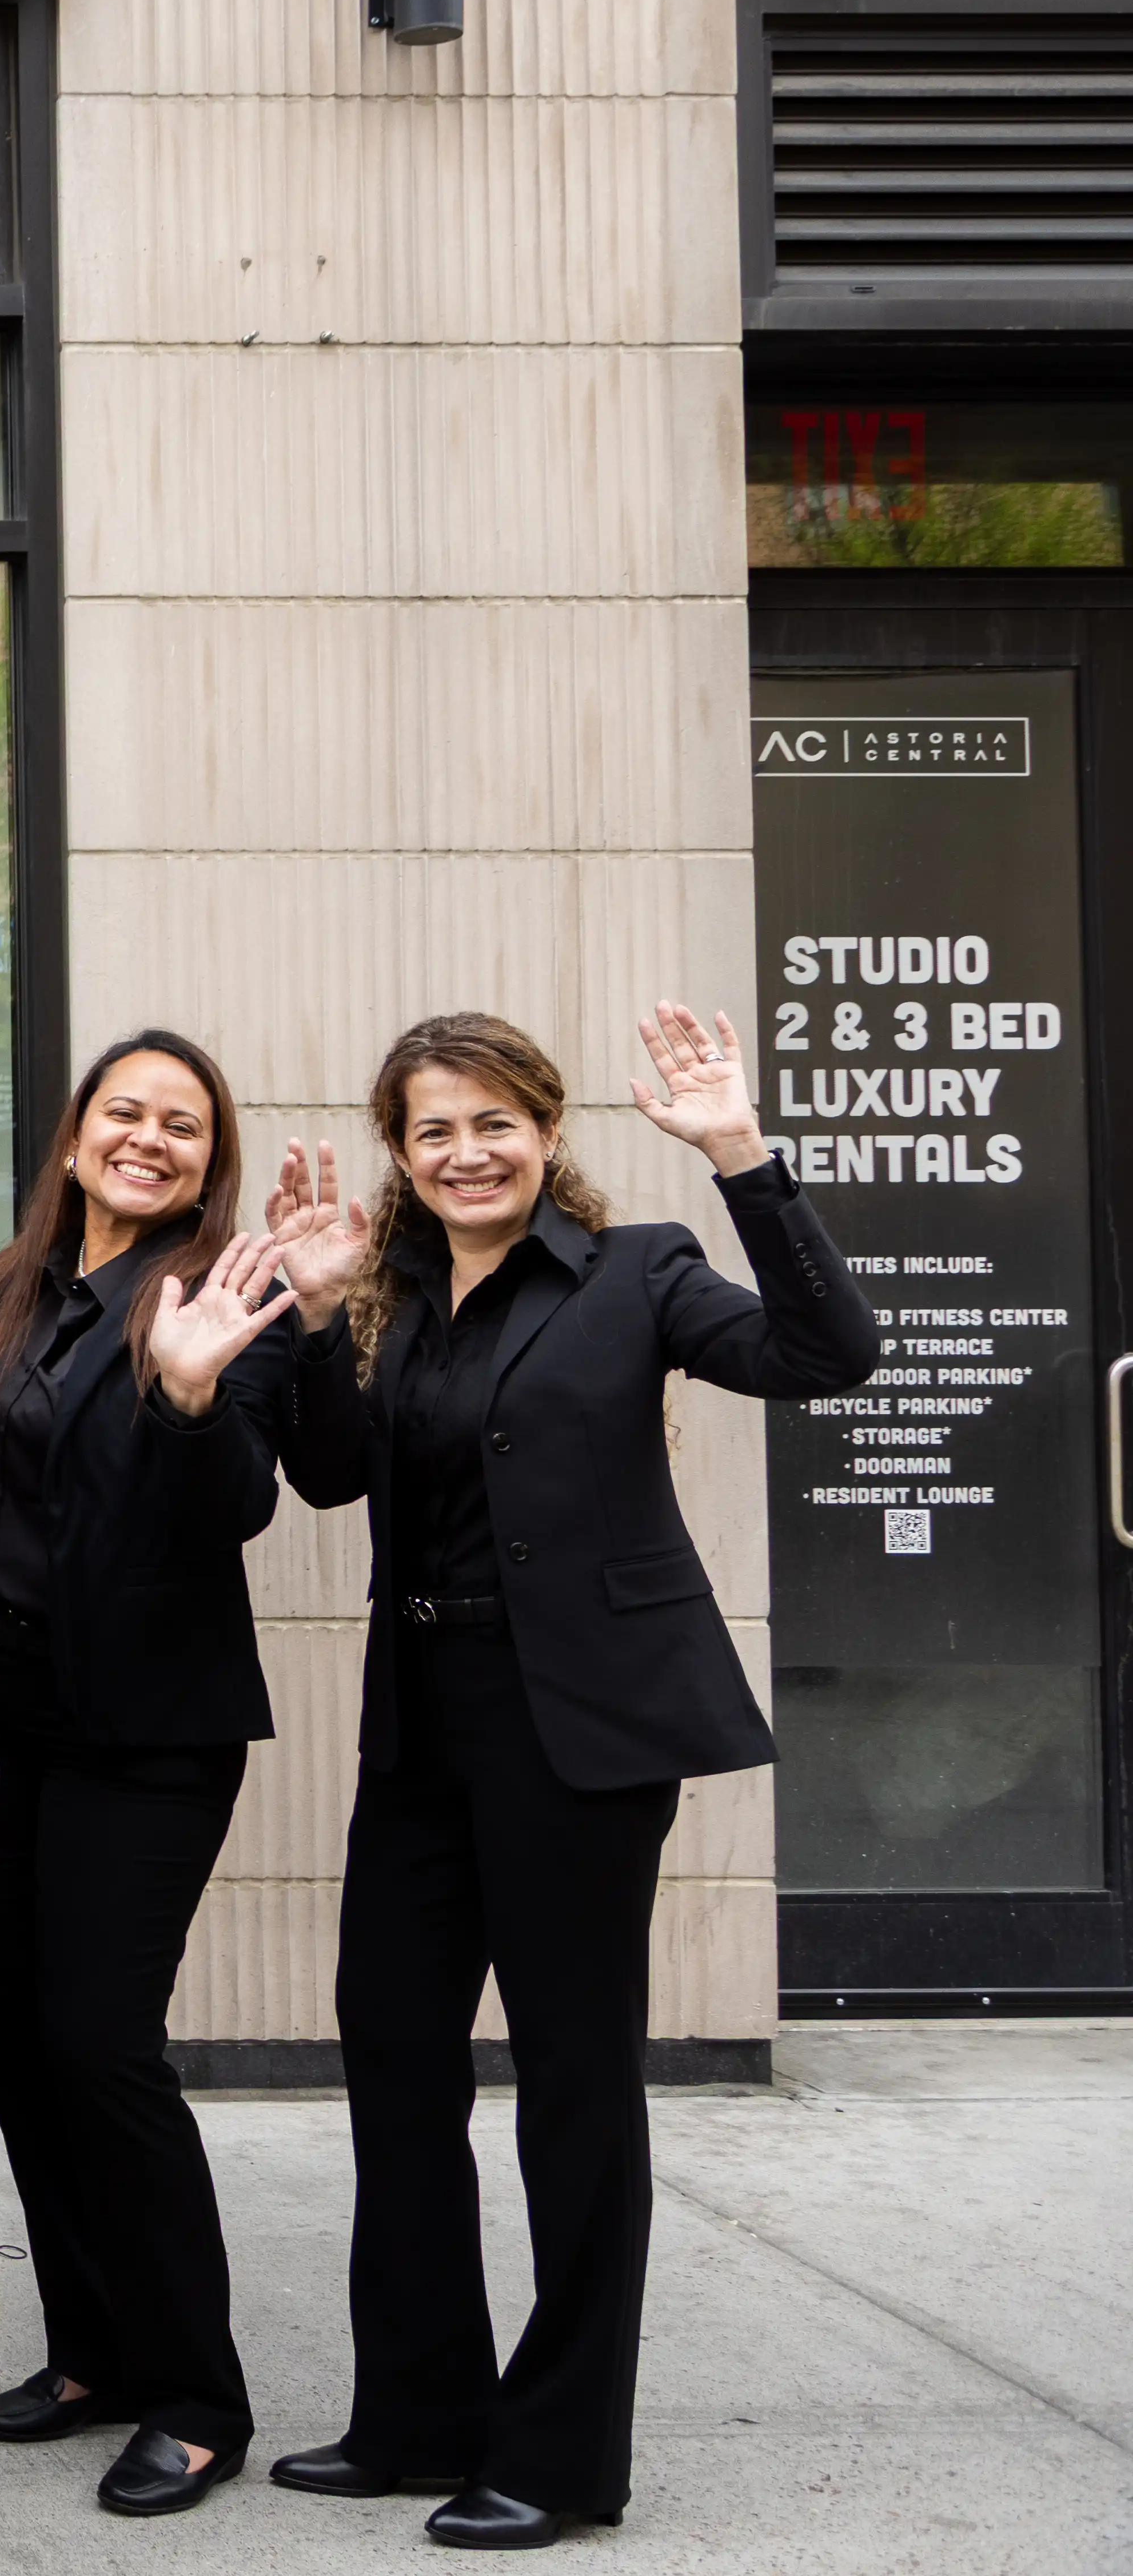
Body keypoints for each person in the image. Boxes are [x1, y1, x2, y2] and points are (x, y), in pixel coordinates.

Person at [262, 1008, 872, 2550]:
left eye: (492, 1123)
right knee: (396, 2062)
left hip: (579, 1731)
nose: (465, 1153)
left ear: (544, 1131)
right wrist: (312, 1313)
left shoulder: (633, 1272)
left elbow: (826, 1355)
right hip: (423, 1720)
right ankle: (416, 2418)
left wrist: (744, 1150)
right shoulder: (390, 1292)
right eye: (433, 1130)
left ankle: (560, 2455)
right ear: (401, 1152)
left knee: (573, 2088)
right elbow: (332, 1473)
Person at [0, 1036, 304, 2519]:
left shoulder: (228, 1293)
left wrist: (191, 1393)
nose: (148, 1139)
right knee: (13, 2045)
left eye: (182, 1124)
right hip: (6, 1715)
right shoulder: (7, 1289)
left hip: (146, 1733)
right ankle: (91, 2352)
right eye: (125, 1114)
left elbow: (239, 1508)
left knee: (100, 2041)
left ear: (207, 1155)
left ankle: (201, 2395)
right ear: (78, 1133)